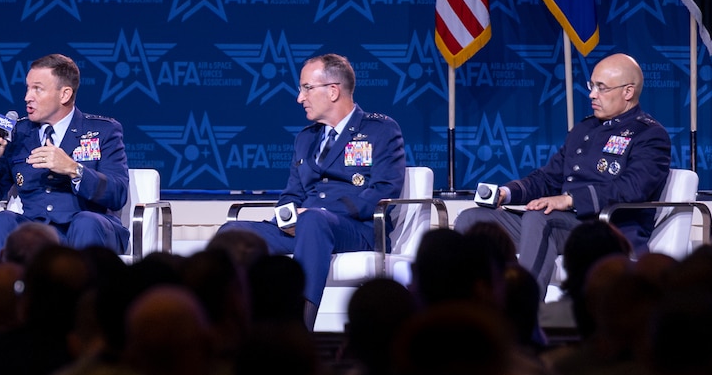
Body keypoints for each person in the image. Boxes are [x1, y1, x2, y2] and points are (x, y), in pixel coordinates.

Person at [214, 53, 405, 329]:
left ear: (333, 91)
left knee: (314, 220)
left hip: (357, 229)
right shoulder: (306, 138)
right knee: (232, 234)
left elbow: (382, 191)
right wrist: (288, 216)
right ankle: (233, 326)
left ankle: (298, 328)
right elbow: (291, 194)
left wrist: (316, 213)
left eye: (306, 88)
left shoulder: (380, 130)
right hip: (305, 228)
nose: (299, 98)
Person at [456, 52, 671, 292]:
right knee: (472, 218)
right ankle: (473, 304)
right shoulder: (584, 128)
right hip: (565, 224)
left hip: (608, 232)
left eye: (601, 88)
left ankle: (522, 311)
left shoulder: (649, 134)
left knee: (540, 218)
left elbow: (631, 188)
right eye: (592, 85)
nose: (592, 94)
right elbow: (549, 178)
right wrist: (507, 193)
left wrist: (569, 200)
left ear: (628, 92)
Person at [0, 53, 129, 257]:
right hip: (38, 233)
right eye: (28, 88)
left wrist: (74, 169)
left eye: (37, 89)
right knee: (0, 220)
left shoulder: (103, 131)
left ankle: (86, 289)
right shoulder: (18, 133)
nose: (27, 97)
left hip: (90, 229)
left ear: (64, 95)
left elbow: (117, 194)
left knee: (86, 222)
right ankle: (6, 287)